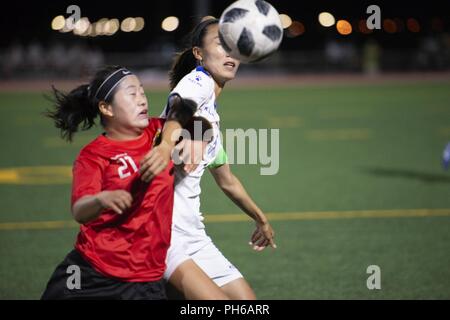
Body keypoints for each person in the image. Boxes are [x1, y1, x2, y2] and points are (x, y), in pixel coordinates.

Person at [41, 65, 203, 299]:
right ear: (106, 108)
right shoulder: (94, 155)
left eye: (142, 92)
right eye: (132, 93)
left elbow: (186, 108)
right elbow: (80, 210)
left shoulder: (159, 132)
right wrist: (101, 199)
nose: (142, 100)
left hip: (147, 278)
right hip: (92, 272)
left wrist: (180, 143)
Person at [156, 18, 276, 300]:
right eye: (221, 45)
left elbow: (228, 181)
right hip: (164, 234)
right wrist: (187, 135)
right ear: (199, 53)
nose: (230, 53)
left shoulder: (211, 113)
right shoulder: (198, 82)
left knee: (247, 302)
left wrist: (261, 219)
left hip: (193, 235)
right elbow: (180, 105)